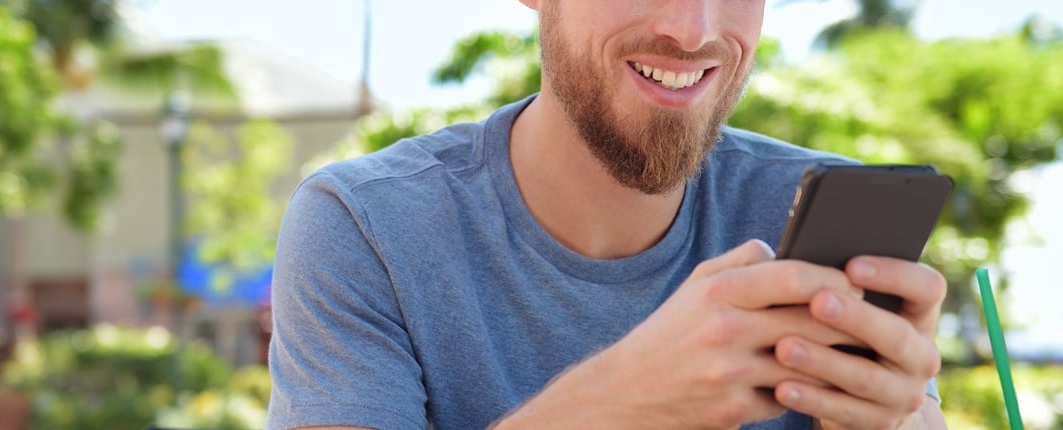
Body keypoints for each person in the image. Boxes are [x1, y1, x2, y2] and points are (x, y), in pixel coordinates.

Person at [267, 0, 948, 428]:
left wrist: (890, 419)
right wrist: (625, 399)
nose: (692, 28)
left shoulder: (810, 207)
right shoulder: (367, 226)